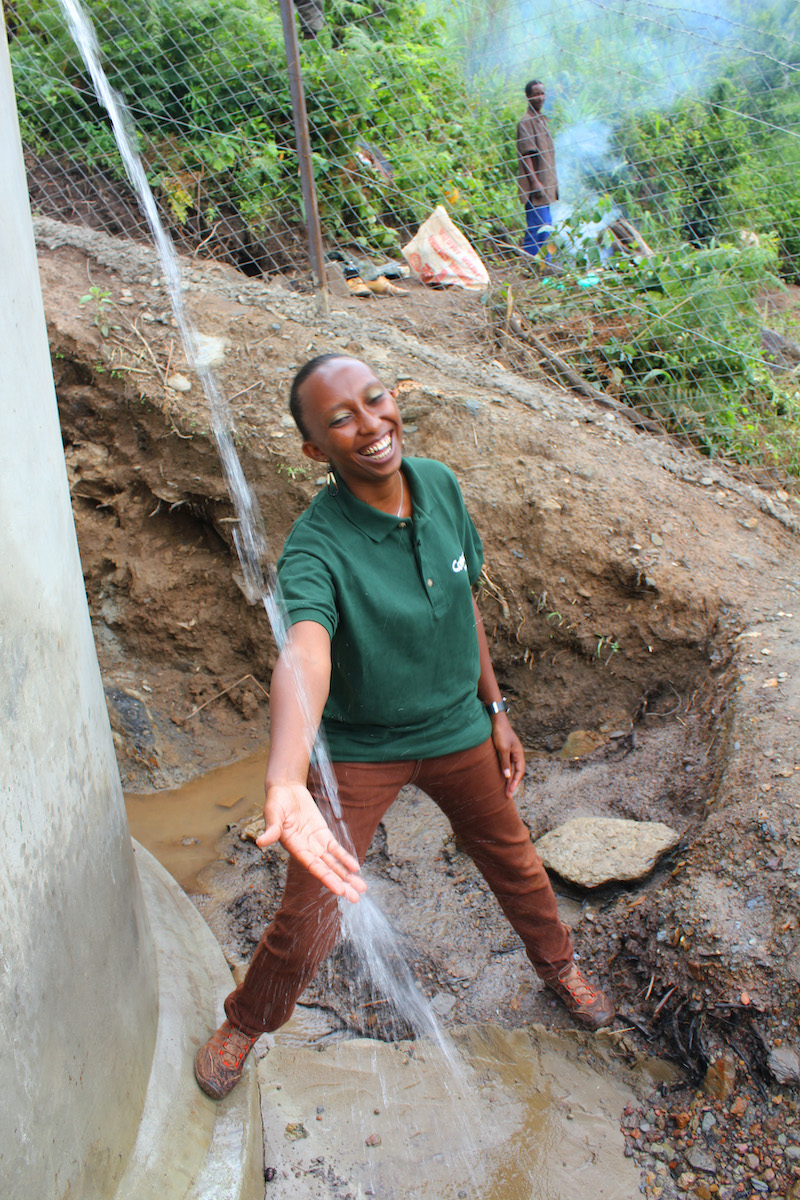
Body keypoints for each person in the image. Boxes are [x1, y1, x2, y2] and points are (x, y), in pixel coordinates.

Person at [194, 354, 614, 1100]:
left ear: (394, 400)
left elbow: (463, 603)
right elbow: (305, 655)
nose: (369, 424)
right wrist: (285, 776)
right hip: (361, 751)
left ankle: (560, 970)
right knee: (312, 910)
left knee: (514, 860)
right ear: (314, 450)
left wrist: (495, 707)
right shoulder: (316, 548)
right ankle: (246, 1023)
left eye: (374, 399)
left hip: (458, 729)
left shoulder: (440, 486)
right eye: (340, 419)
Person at [516, 79, 558, 259]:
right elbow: (526, 154)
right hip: (536, 187)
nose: (540, 97)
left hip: (545, 186)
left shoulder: (540, 120)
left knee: (545, 228)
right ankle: (533, 265)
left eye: (542, 93)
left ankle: (543, 264)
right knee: (538, 227)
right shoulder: (526, 122)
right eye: (536, 94)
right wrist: (535, 182)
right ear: (528, 97)